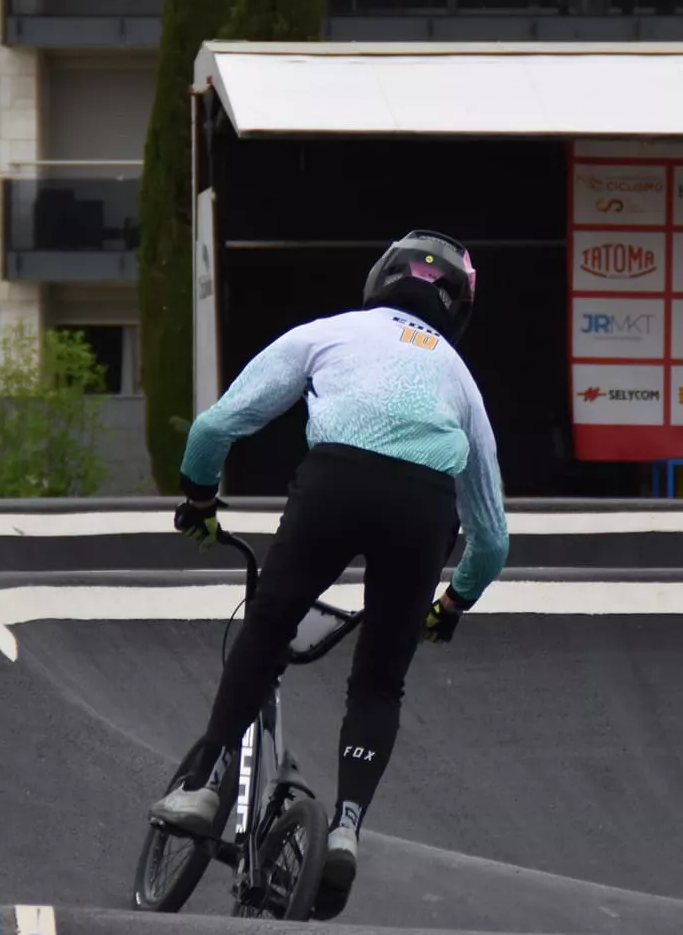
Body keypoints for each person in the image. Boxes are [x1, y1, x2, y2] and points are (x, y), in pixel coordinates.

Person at [148, 229, 509, 920]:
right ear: (458, 309)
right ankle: (345, 823)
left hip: (335, 481)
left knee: (269, 621)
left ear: (381, 277)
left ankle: (201, 785)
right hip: (424, 511)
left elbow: (215, 428)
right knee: (379, 678)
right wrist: (453, 604)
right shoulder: (461, 381)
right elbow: (492, 540)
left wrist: (198, 498)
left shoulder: (330, 332)